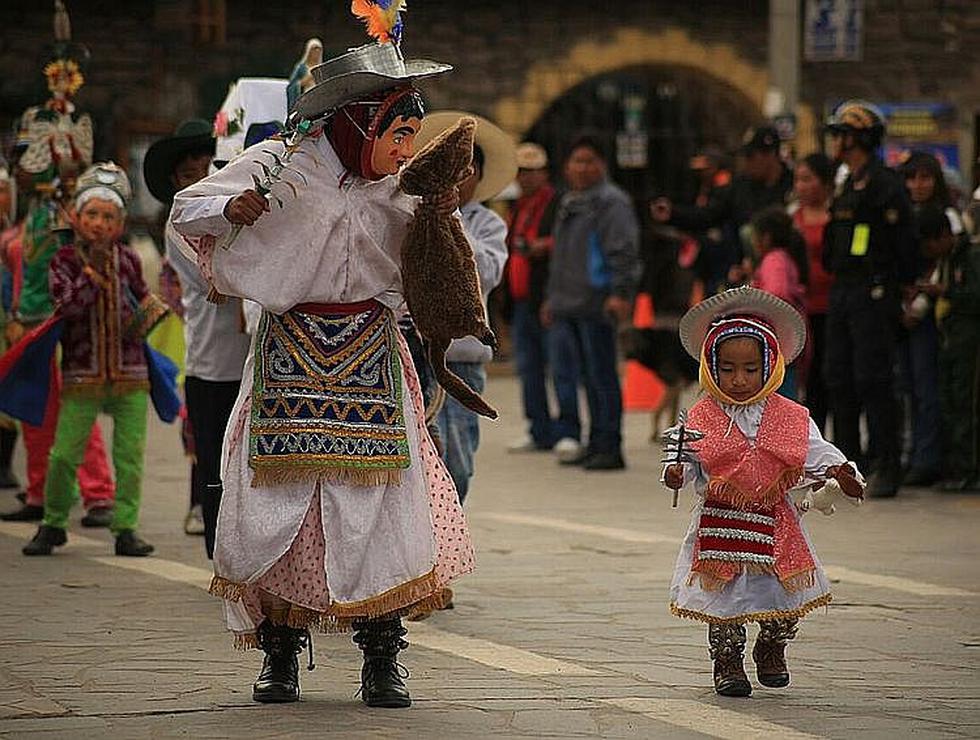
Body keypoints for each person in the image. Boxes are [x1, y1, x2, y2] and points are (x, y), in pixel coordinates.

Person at [170, 32, 474, 709]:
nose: (404, 147)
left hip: (371, 348)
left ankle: (383, 654)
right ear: (359, 120)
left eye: (412, 133)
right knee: (284, 505)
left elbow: (436, 268)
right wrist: (231, 208)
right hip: (289, 353)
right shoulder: (280, 165)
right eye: (397, 132)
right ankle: (279, 652)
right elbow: (185, 211)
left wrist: (440, 224)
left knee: (384, 505)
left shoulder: (401, 185)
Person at [663, 286, 864, 697]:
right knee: (724, 599)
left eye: (751, 369)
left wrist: (842, 473)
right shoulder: (700, 415)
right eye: (729, 369)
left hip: (777, 523)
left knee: (784, 592)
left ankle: (772, 645)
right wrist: (675, 474)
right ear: (710, 367)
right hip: (720, 525)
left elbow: (818, 454)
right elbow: (683, 463)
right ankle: (727, 661)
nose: (739, 379)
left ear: (771, 366)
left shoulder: (792, 416)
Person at [0, 21, 116, 525]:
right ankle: (40, 492)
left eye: (70, 77)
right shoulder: (29, 231)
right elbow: (31, 167)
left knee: (76, 396)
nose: (63, 85)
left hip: (76, 323)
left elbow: (78, 166)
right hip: (32, 306)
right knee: (34, 390)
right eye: (57, 77)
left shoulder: (85, 228)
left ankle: (97, 493)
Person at [22, 163, 167, 557]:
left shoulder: (129, 260)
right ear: (76, 217)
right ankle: (52, 522)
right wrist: (92, 275)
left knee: (131, 458)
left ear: (119, 223)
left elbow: (144, 303)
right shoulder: (64, 261)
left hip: (131, 373)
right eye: (92, 215)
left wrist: (145, 316)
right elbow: (67, 307)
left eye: (108, 216)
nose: (99, 224)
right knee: (65, 454)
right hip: (82, 374)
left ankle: (126, 528)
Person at [143, 118, 251, 555]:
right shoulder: (179, 224)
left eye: (207, 172)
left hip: (251, 357)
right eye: (188, 177)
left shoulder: (236, 214)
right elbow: (218, 280)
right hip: (210, 362)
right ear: (174, 183)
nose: (200, 183)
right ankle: (219, 548)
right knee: (214, 461)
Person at [415, 111, 513, 503]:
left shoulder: (488, 225)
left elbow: (484, 272)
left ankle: (449, 527)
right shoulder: (412, 214)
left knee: (457, 459)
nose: (458, 177)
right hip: (413, 350)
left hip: (460, 359)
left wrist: (451, 218)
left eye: (467, 169)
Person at [822, 100, 917, 498]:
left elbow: (905, 248)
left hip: (873, 292)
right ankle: (848, 465)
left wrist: (900, 291)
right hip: (843, 291)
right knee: (839, 377)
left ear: (858, 138)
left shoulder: (885, 186)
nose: (836, 142)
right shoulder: (846, 184)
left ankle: (886, 464)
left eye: (842, 134)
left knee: (873, 379)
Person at [543, 135, 640, 470]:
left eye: (588, 160)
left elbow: (623, 251)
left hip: (598, 303)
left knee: (602, 376)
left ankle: (610, 444)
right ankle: (594, 440)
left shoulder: (612, 203)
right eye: (575, 161)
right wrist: (551, 299)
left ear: (602, 164)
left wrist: (620, 293)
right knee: (584, 375)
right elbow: (560, 257)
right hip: (568, 303)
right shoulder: (571, 201)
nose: (581, 168)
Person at [652, 126, 794, 289]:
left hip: (784, 276)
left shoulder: (793, 184)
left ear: (771, 155)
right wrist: (673, 214)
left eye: (751, 156)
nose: (746, 163)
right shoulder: (740, 188)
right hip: (747, 277)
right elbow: (708, 215)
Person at [898, 152, 959, 486]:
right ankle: (914, 453)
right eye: (911, 178)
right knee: (908, 388)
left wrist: (918, 305)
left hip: (931, 317)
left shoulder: (948, 217)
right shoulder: (903, 214)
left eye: (924, 178)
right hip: (905, 312)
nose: (916, 185)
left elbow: (943, 266)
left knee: (927, 388)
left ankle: (928, 458)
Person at [918, 204, 980, 491]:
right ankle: (955, 467)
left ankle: (968, 469)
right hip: (950, 340)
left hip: (968, 341)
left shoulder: (970, 257)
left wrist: (947, 292)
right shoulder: (945, 261)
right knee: (950, 402)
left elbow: (974, 297)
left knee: (965, 403)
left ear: (944, 236)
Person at [505, 142, 559, 453]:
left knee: (558, 367)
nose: (526, 177)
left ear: (544, 173)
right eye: (522, 171)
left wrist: (541, 246)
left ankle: (565, 429)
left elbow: (563, 245)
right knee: (529, 368)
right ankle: (538, 428)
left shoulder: (556, 204)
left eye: (532, 171)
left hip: (547, 296)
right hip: (521, 300)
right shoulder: (517, 206)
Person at [791, 153, 836, 434]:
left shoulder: (838, 214)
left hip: (832, 307)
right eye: (798, 179)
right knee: (807, 378)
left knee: (829, 375)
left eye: (808, 179)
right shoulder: (791, 219)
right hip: (802, 310)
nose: (801, 186)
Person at [749, 206, 809, 399]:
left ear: (765, 238)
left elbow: (777, 294)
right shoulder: (781, 259)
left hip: (780, 347)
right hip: (783, 345)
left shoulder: (775, 261)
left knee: (780, 403)